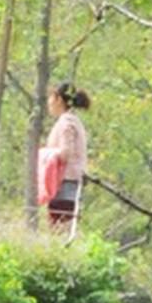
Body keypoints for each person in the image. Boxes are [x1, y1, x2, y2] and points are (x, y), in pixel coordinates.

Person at [36, 82, 91, 234]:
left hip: (65, 182)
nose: (49, 102)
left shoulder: (67, 123)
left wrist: (44, 154)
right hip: (67, 181)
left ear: (58, 99)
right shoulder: (72, 121)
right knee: (63, 224)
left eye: (51, 97)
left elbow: (66, 152)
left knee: (60, 226)